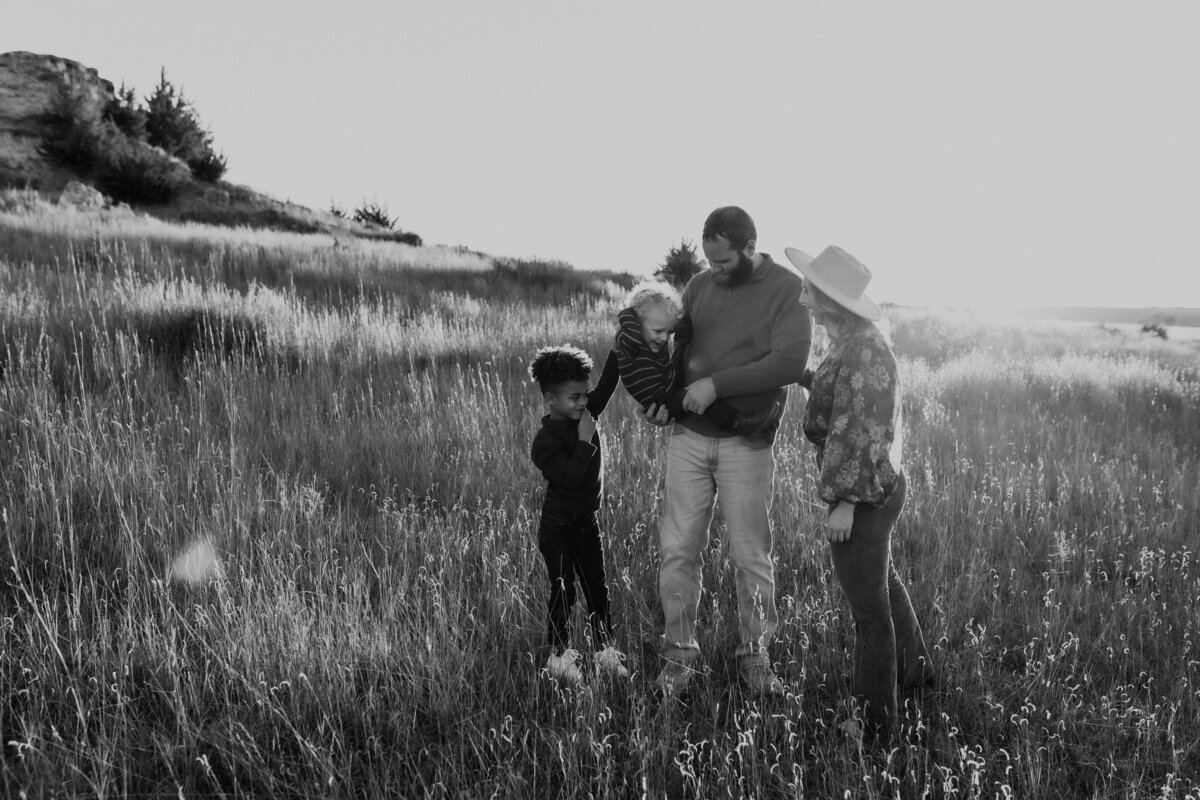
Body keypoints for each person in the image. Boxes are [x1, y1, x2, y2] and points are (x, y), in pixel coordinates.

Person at [650, 206, 812, 696]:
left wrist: (716, 386)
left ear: (748, 247)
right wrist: (664, 399)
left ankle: (755, 657)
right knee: (678, 550)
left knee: (750, 555)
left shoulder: (787, 289)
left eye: (722, 262)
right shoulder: (700, 286)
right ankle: (678, 658)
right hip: (689, 437)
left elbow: (790, 361)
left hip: (747, 441)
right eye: (708, 262)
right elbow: (681, 353)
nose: (712, 272)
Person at [785, 244, 933, 743]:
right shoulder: (851, 343)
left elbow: (864, 428)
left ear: (829, 298)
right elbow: (843, 401)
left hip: (864, 494)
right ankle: (915, 674)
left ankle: (874, 724)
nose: (802, 296)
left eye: (808, 288)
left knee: (869, 614)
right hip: (872, 486)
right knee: (883, 587)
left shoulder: (866, 347)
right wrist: (804, 377)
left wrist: (845, 500)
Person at [528, 345, 631, 685]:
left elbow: (607, 383)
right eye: (574, 398)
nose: (583, 403)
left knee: (597, 588)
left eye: (584, 395)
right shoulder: (545, 441)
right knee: (563, 591)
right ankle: (559, 657)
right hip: (557, 526)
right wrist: (586, 441)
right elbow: (569, 477)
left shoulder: (586, 411)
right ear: (550, 399)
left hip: (587, 523)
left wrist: (621, 344)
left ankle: (605, 652)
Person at [612, 281, 777, 436]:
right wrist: (629, 313)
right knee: (700, 400)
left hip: (667, 386)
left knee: (690, 368)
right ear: (635, 322)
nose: (664, 338)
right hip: (662, 401)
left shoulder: (648, 335)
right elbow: (632, 332)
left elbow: (670, 336)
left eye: (669, 332)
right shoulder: (627, 341)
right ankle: (740, 422)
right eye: (658, 331)